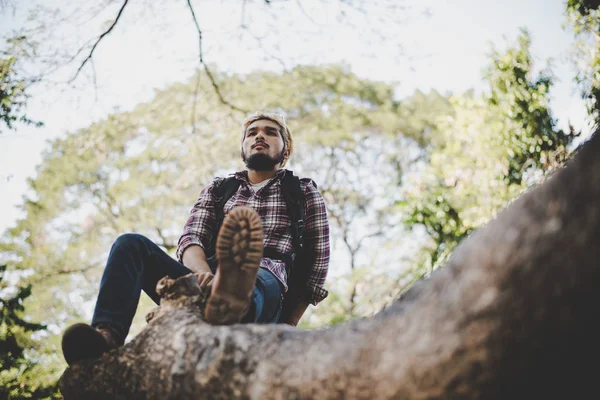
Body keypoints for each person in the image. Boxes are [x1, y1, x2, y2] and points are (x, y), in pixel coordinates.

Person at [61, 112, 330, 365]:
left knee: (255, 276)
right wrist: (202, 275)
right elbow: (192, 239)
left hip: (267, 285)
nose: (259, 136)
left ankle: (231, 299)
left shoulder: (302, 190)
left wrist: (290, 324)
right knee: (129, 245)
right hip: (202, 281)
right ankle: (106, 338)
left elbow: (317, 265)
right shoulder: (219, 189)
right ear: (242, 149)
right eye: (251, 133)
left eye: (270, 132)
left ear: (286, 150)